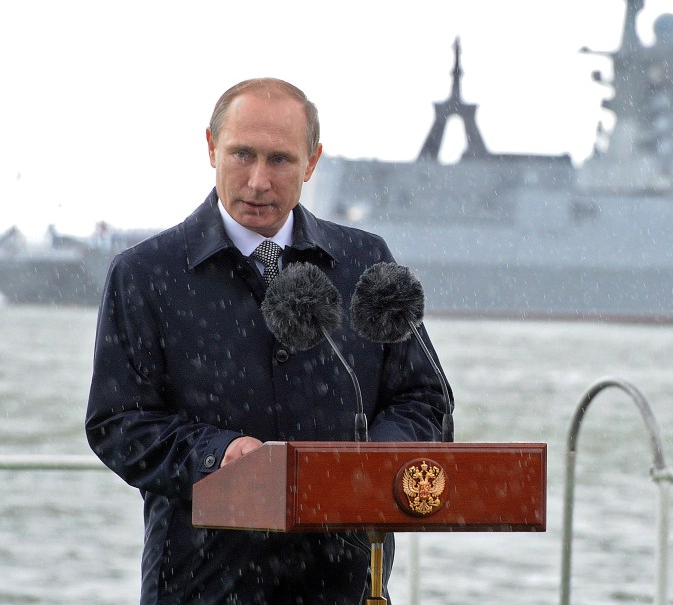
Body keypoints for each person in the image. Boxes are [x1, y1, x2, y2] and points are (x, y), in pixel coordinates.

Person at [85, 78, 450, 604]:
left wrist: (378, 459)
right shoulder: (143, 274)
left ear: (312, 161)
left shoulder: (366, 261)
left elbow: (425, 397)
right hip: (200, 584)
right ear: (211, 147)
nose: (258, 181)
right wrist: (218, 455)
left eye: (280, 159)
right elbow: (117, 423)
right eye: (241, 154)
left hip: (344, 584)